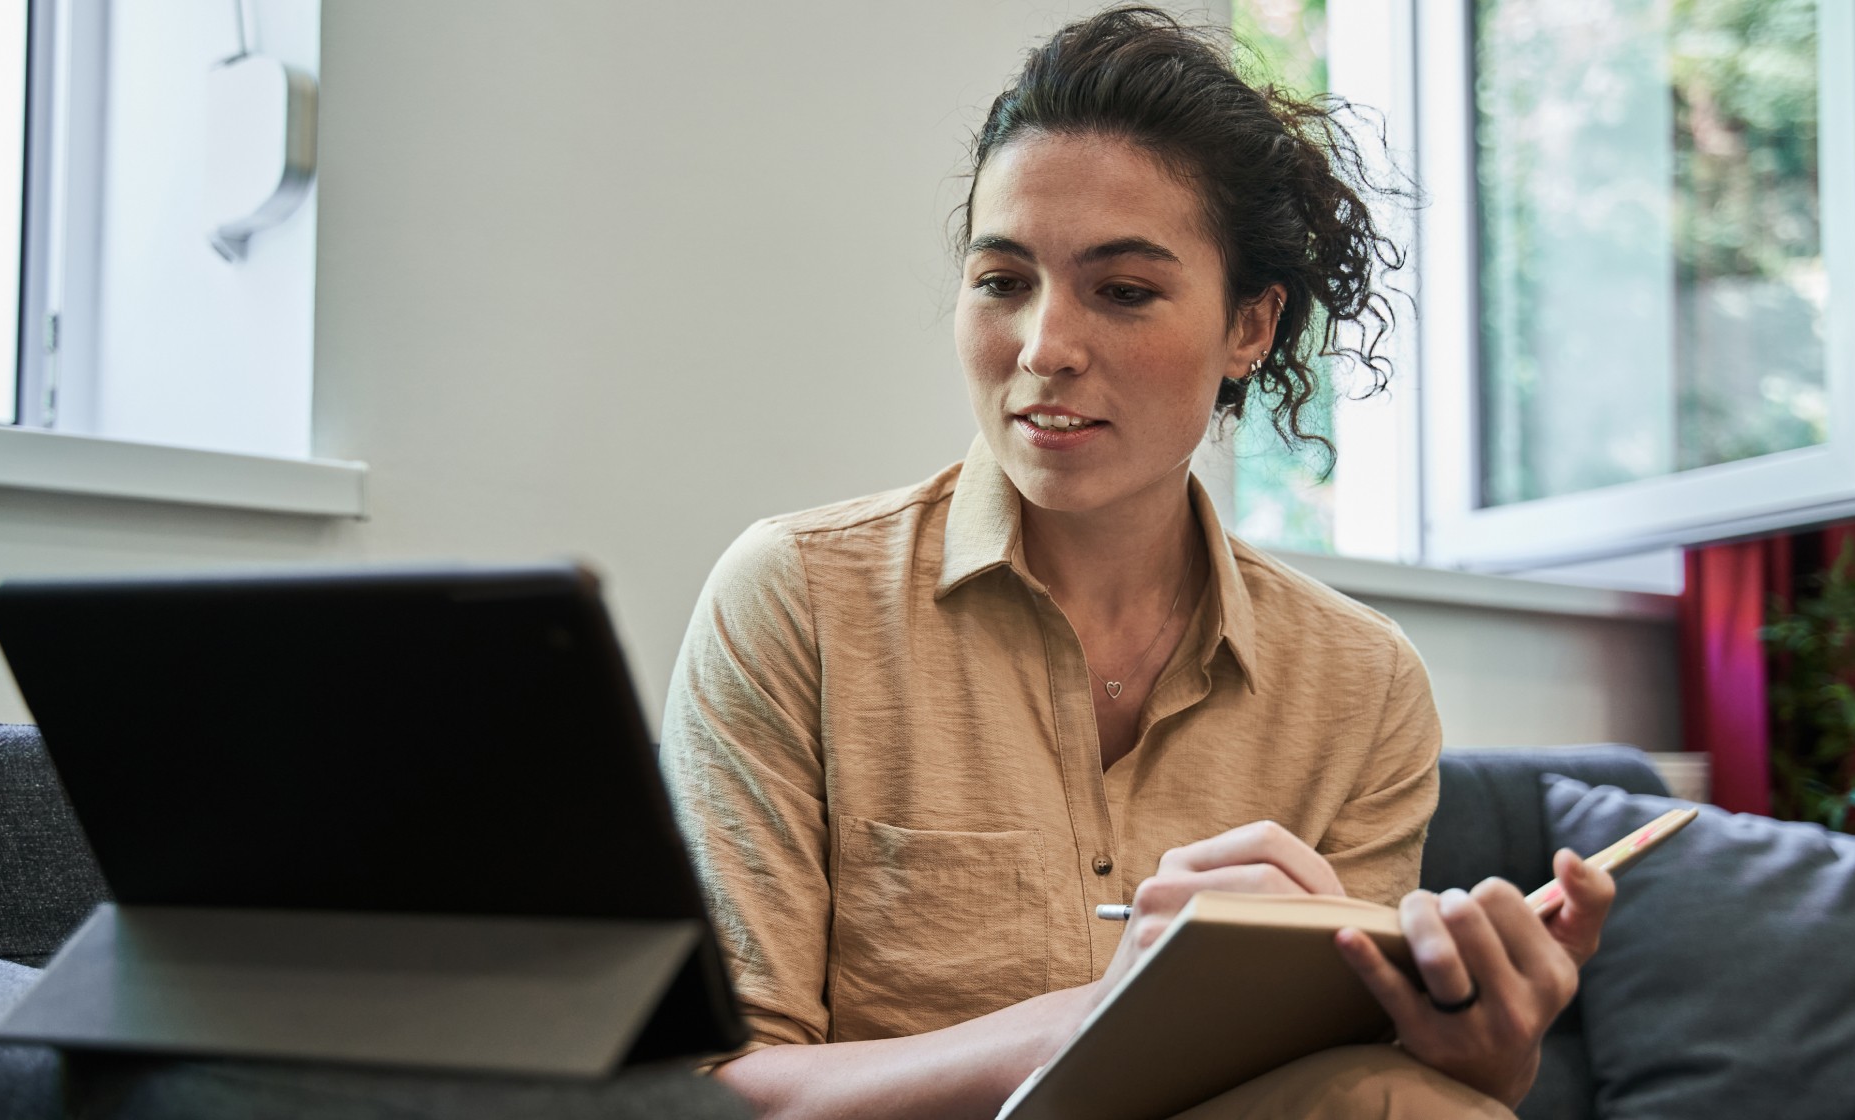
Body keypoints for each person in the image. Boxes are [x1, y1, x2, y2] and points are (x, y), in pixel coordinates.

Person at [659, 7, 1616, 1118]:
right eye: (1002, 281)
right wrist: (1099, 1013)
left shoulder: (1361, 683)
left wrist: (1485, 1052)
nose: (1043, 347)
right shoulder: (796, 598)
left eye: (1122, 291)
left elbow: (1348, 1072)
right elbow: (717, 1091)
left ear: (1249, 328)